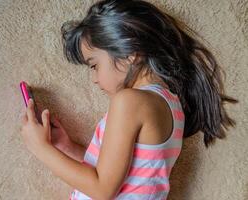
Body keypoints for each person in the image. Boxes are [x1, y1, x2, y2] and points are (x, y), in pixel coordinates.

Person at [19, 0, 238, 199]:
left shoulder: (130, 101)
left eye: (94, 65)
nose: (94, 79)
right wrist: (68, 148)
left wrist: (40, 148)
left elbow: (103, 189)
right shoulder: (170, 104)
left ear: (130, 53)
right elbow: (121, 174)